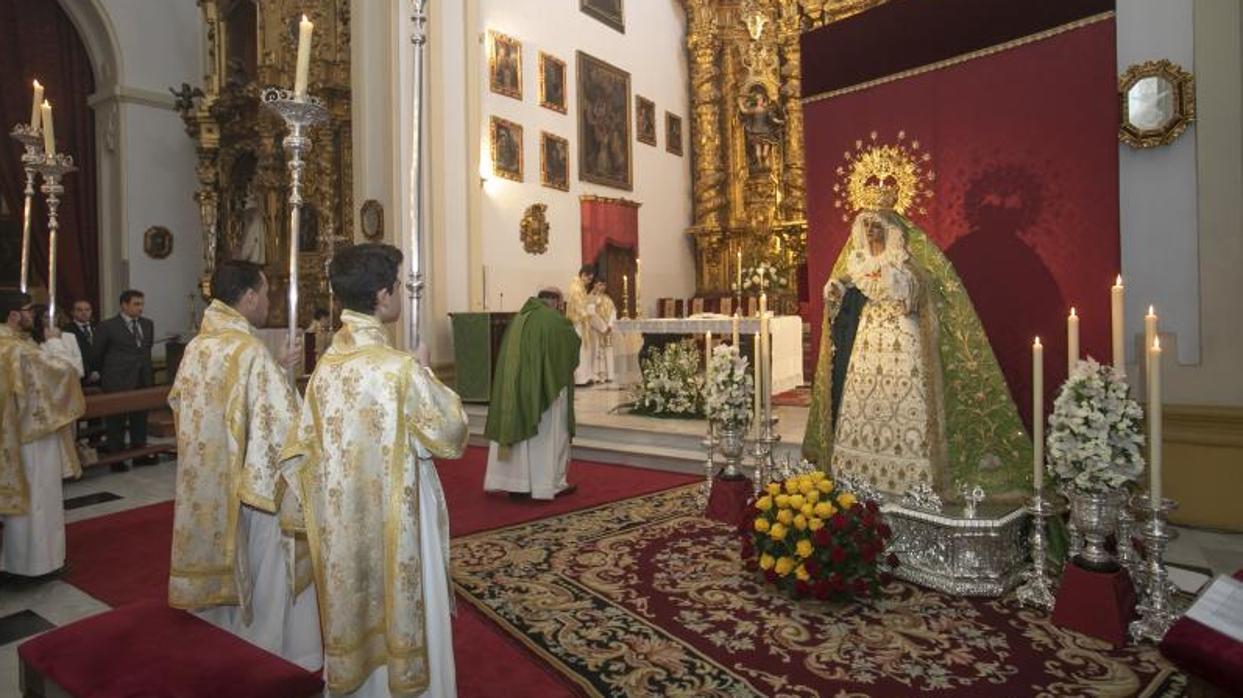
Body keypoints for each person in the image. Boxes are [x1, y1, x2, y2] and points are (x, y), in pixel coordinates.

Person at [280, 243, 468, 697]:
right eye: (399, 285)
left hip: (343, 521)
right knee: (405, 601)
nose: (402, 293)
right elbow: (451, 433)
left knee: (356, 604)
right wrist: (426, 372)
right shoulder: (398, 369)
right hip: (397, 515)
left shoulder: (327, 365)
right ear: (384, 296)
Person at [803, 206, 1032, 501]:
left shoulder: (903, 258)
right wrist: (837, 287)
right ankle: (857, 474)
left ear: (890, 229)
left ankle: (912, 481)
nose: (871, 231)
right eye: (868, 226)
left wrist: (902, 284)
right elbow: (850, 282)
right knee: (865, 399)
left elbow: (920, 288)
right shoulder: (860, 259)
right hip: (869, 336)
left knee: (905, 398)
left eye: (877, 226)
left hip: (902, 334)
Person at [167, 260, 320, 670]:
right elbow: (282, 424)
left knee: (230, 556)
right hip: (254, 483)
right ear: (249, 297)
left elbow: (185, 404)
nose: (269, 301)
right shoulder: (248, 350)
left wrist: (277, 368)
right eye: (266, 293)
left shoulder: (199, 346)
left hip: (211, 478)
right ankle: (271, 649)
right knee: (267, 564)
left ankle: (225, 630)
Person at [0, 291, 84, 577]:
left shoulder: (8, 345)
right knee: (39, 497)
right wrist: (54, 342)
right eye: (28, 311)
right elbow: (66, 374)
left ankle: (14, 561)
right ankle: (38, 565)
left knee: (20, 501)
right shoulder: (19, 350)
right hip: (32, 435)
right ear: (13, 315)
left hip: (10, 434)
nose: (33, 316)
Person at [483, 288, 581, 500]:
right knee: (546, 433)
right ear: (556, 302)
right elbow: (571, 346)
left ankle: (516, 483)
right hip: (542, 391)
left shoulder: (519, 318)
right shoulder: (554, 321)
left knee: (516, 429)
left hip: (514, 388)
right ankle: (547, 484)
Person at [93, 289, 155, 468]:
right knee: (116, 421)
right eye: (136, 304)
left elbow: (145, 350)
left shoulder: (147, 324)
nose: (140, 308)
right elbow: (97, 353)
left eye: (142, 304)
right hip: (117, 380)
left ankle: (140, 454)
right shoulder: (108, 326)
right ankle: (117, 458)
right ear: (124, 305)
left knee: (140, 419)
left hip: (141, 379)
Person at [31, 305, 84, 378]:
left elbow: (79, 369)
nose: (51, 320)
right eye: (47, 317)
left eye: (54, 317)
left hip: (69, 379)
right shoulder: (33, 339)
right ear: (40, 319)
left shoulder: (69, 337)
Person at [566, 264, 595, 386]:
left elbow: (585, 302)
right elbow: (578, 306)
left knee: (586, 350)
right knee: (580, 351)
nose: (589, 282)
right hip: (578, 323)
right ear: (583, 275)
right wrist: (587, 314)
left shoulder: (581, 286)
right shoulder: (576, 288)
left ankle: (586, 377)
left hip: (583, 323)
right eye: (588, 279)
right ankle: (580, 379)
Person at [64, 299, 99, 383]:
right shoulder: (67, 330)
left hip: (100, 376)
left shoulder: (99, 328)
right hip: (80, 377)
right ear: (72, 312)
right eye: (79, 310)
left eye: (87, 310)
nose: (84, 313)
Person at [588, 280, 617, 383]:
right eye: (600, 284)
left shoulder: (608, 299)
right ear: (594, 284)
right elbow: (590, 314)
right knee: (596, 351)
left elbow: (613, 312)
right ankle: (595, 376)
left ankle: (608, 375)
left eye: (604, 284)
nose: (602, 287)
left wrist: (609, 325)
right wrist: (601, 327)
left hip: (607, 330)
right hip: (595, 330)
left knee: (607, 350)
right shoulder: (590, 298)